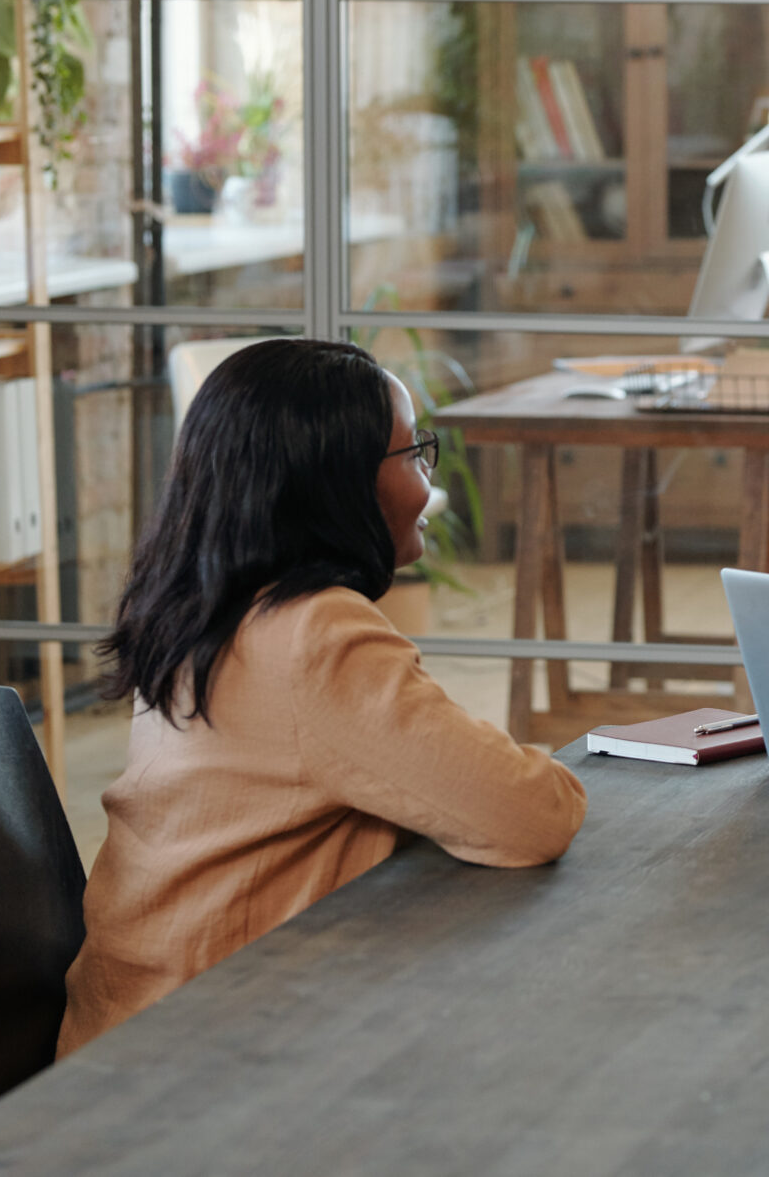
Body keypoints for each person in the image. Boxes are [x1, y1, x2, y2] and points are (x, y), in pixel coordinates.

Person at [60, 339, 588, 1054]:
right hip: (202, 1054)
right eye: (413, 454)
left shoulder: (203, 612)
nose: (430, 485)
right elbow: (532, 813)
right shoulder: (313, 635)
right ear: (336, 484)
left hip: (124, 1027)